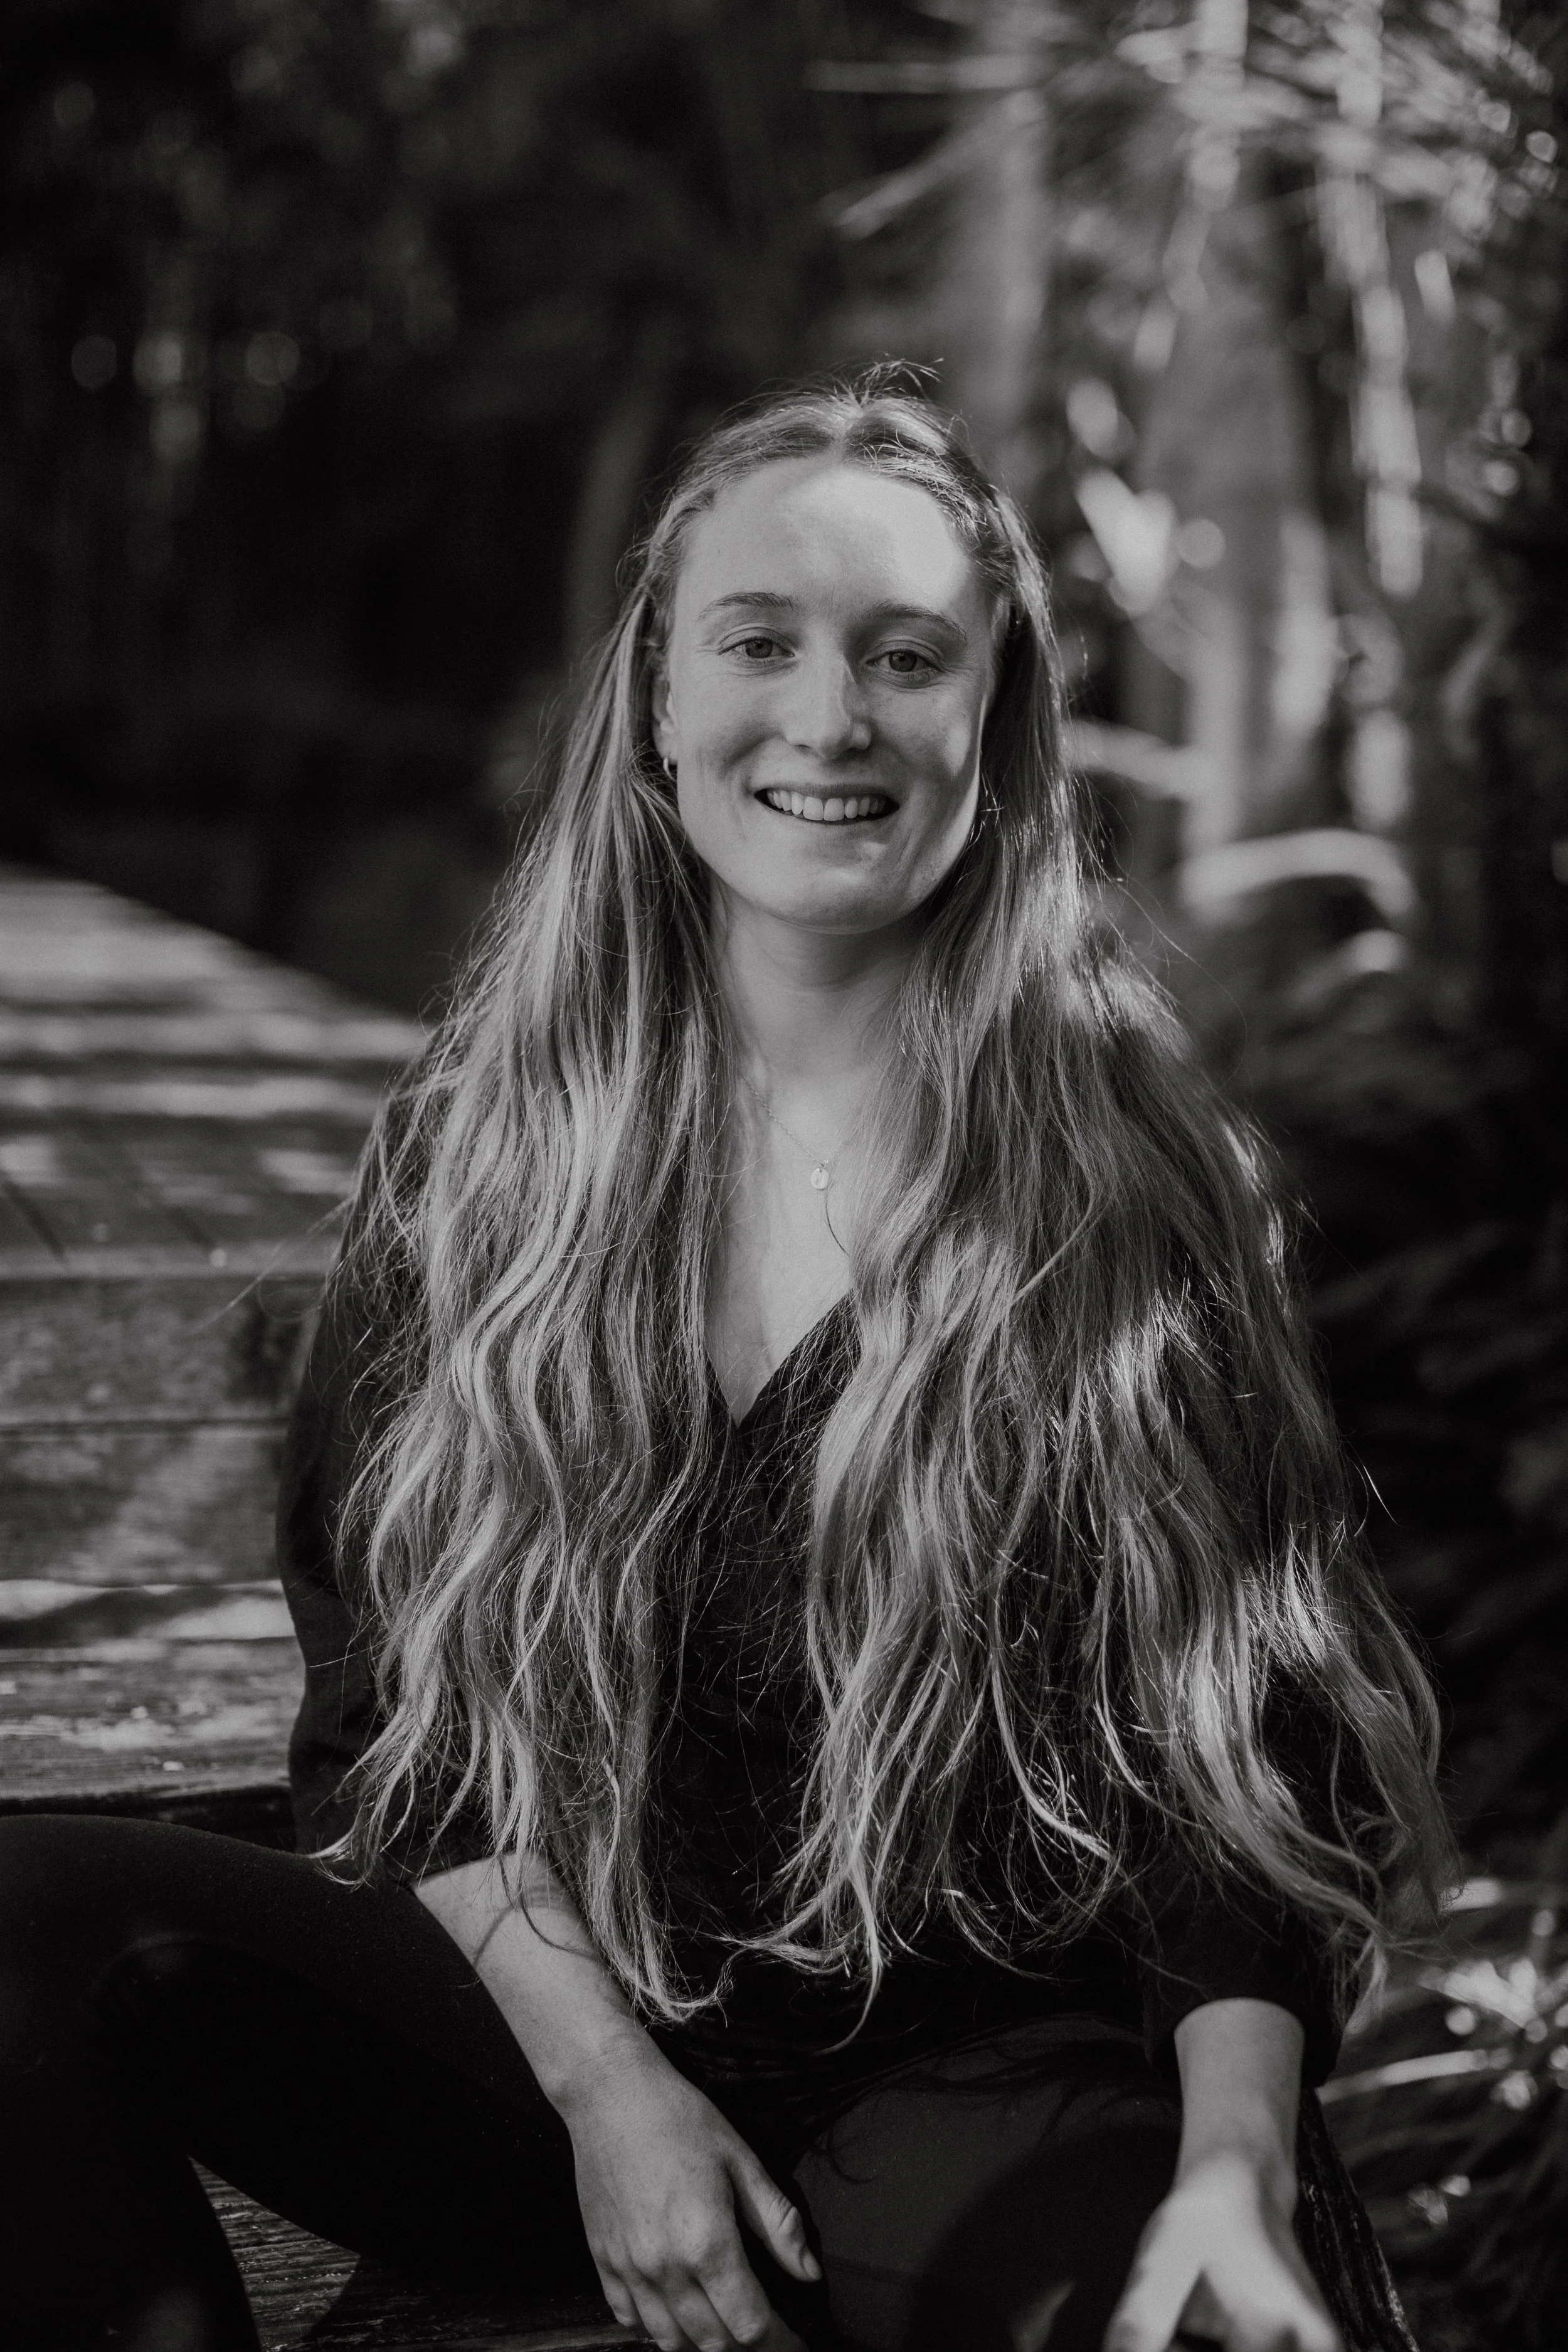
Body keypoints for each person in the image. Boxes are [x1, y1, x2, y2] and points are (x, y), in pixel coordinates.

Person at [0, 373, 1451, 2352]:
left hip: (974, 2055)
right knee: (26, 1931)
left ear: (990, 720)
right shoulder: (493, 1143)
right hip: (552, 2024)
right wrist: (610, 2095)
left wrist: (1228, 2165)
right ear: (660, 704)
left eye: (903, 655)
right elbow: (397, 1709)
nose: (829, 715)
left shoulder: (1126, 1178)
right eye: (758, 640)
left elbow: (1242, 1758)